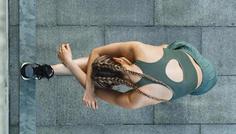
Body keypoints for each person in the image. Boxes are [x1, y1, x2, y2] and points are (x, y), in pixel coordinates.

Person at [20, 40, 217, 110]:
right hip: (185, 56)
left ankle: (48, 70)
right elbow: (97, 54)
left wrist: (72, 64)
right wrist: (86, 85)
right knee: (163, 50)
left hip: (201, 80)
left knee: (164, 49)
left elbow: (97, 57)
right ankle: (49, 70)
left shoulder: (140, 97)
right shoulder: (137, 50)